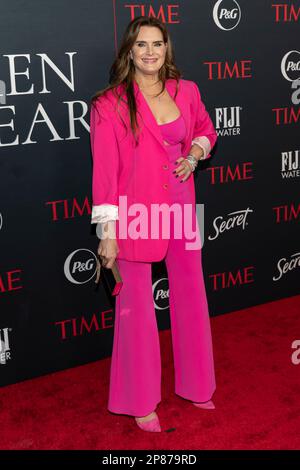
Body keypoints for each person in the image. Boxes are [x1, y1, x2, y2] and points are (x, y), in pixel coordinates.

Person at [90, 16, 217, 432]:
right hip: (136, 215)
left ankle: (198, 385)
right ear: (129, 51)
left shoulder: (188, 90)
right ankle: (140, 401)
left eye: (157, 44)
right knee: (137, 309)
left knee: (192, 295)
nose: (150, 52)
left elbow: (204, 130)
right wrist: (107, 232)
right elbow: (105, 175)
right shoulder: (109, 104)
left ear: (167, 48)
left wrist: (194, 154)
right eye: (141, 45)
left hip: (181, 206)